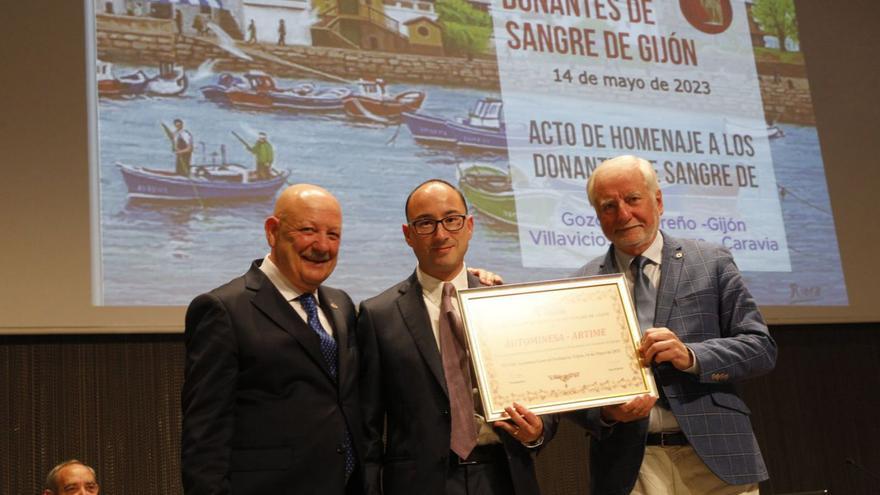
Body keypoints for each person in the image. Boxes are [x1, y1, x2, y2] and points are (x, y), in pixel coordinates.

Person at [572, 155, 777, 495]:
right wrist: (605, 414)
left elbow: (761, 348)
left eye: (633, 199)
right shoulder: (581, 284)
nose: (623, 214)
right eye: (608, 206)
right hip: (629, 466)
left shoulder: (711, 261)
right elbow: (572, 380)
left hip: (716, 457)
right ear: (597, 215)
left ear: (659, 200)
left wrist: (691, 355)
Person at [358, 179, 558, 495]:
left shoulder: (506, 303)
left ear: (469, 226)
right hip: (419, 483)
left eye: (451, 220)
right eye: (425, 223)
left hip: (504, 474)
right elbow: (366, 427)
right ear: (408, 235)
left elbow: (544, 395)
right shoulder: (377, 315)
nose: (441, 234)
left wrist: (538, 430)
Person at [181, 184, 364, 494]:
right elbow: (204, 435)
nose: (322, 246)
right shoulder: (223, 309)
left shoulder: (342, 305)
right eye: (308, 230)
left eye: (333, 235)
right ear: (272, 231)